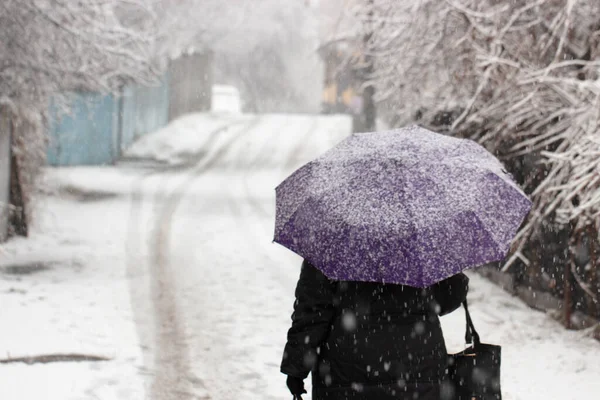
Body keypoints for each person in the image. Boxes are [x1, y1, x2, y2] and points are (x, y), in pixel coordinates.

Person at [281, 259, 469, 400]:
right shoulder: (425, 239)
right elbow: (448, 298)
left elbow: (313, 312)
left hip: (346, 373)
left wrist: (296, 367)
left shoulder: (331, 239)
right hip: (418, 371)